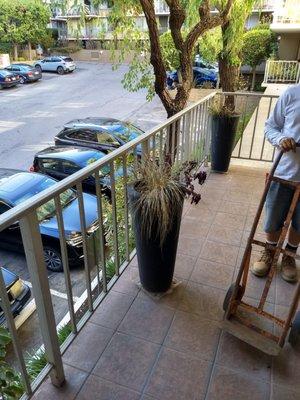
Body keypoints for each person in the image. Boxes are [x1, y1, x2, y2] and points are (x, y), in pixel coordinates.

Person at [251, 84, 300, 283]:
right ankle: (270, 252)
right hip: (283, 172)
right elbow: (270, 126)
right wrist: (281, 138)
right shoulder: (291, 93)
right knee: (273, 218)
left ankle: (289, 255)